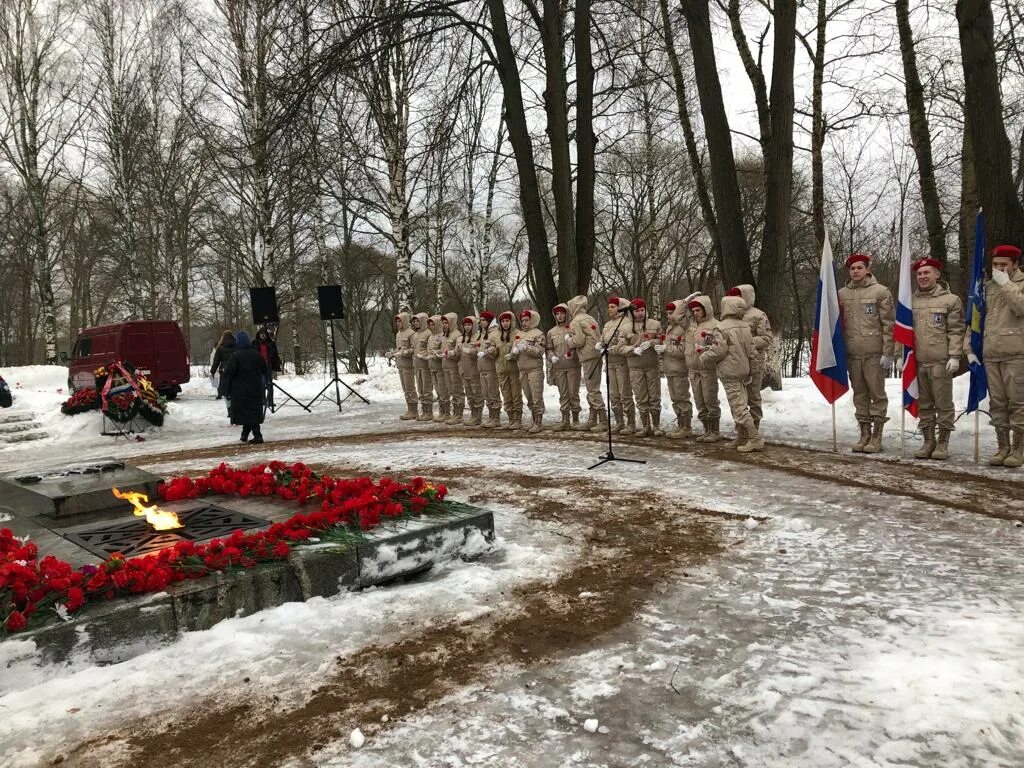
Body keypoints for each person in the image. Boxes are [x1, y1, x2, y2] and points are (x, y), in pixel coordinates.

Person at [969, 244, 1024, 467]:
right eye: (995, 265)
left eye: (1004, 264)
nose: (999, 268)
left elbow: (1021, 307)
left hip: (1016, 353)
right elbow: (974, 320)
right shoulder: (987, 287)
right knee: (998, 403)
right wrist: (969, 348)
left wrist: (1007, 285)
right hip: (991, 353)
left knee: (1018, 402)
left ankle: (1019, 448)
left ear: (1016, 264)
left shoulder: (1018, 284)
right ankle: (1003, 446)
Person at [838, 253, 895, 453]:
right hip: (852, 354)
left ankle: (877, 436)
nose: (855, 271)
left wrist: (888, 352)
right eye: (852, 269)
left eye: (859, 268)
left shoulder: (880, 292)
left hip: (874, 353)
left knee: (877, 394)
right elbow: (837, 326)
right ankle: (864, 434)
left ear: (867, 269)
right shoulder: (842, 294)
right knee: (860, 395)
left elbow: (889, 324)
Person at [911, 257, 965, 460]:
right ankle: (928, 441)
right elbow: (903, 331)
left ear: (937, 275)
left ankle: (942, 443)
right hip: (918, 363)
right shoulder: (911, 301)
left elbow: (956, 330)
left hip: (941, 362)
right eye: (919, 274)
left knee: (943, 404)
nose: (923, 277)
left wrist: (955, 355)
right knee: (924, 404)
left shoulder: (950, 300)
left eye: (927, 273)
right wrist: (900, 355)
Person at [700, 295, 764, 452]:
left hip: (729, 372)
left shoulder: (721, 328)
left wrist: (704, 356)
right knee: (740, 404)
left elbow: (719, 350)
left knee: (739, 407)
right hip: (743, 371)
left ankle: (754, 438)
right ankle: (742, 437)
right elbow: (752, 351)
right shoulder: (745, 327)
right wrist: (752, 370)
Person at [613, 298, 663, 437]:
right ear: (632, 312)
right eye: (637, 311)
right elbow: (619, 347)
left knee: (654, 396)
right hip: (635, 367)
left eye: (642, 310)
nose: (640, 313)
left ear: (645, 310)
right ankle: (646, 425)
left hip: (652, 366)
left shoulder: (655, 324)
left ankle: (657, 426)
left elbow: (662, 338)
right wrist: (632, 350)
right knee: (641, 396)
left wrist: (653, 342)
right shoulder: (625, 328)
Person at [727, 284, 773, 434]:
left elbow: (766, 339)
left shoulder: (758, 315)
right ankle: (741, 431)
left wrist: (747, 341)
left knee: (752, 396)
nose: (736, 300)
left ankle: (754, 431)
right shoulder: (729, 317)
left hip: (753, 361)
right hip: (735, 362)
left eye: (739, 296)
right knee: (737, 398)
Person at [219, 330, 269, 444]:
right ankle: (245, 434)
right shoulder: (256, 354)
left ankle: (257, 435)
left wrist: (224, 371)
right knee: (252, 411)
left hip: (240, 390)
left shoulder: (236, 356)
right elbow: (264, 369)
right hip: (256, 388)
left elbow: (230, 372)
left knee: (247, 412)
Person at [659, 296, 698, 438]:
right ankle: (681, 425)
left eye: (671, 313)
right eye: (667, 314)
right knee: (675, 398)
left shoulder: (683, 329)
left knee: (682, 397)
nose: (669, 316)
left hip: (680, 369)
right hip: (670, 369)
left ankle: (686, 426)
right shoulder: (670, 328)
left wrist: (666, 348)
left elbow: (683, 350)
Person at [685, 295, 722, 442]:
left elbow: (719, 347)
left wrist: (706, 348)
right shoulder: (691, 325)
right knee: (699, 401)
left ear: (706, 309)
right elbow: (678, 314)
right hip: (693, 369)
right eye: (693, 310)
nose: (695, 313)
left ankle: (715, 431)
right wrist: (686, 301)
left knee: (710, 400)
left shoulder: (716, 325)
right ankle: (707, 430)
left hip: (708, 369)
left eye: (698, 310)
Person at [566, 295, 605, 431]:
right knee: (592, 386)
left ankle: (602, 419)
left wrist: (569, 341)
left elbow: (579, 341)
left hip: (587, 356)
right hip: (595, 355)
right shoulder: (591, 318)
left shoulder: (575, 321)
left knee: (592, 388)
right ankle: (592, 418)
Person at [597, 296, 636, 434]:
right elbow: (603, 339)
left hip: (621, 362)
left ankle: (631, 423)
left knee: (624, 393)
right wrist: (600, 345)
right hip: (609, 363)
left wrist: (610, 349)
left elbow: (621, 343)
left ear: (620, 308)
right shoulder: (607, 324)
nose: (609, 309)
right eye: (609, 307)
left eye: (612, 307)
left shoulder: (626, 323)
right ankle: (619, 422)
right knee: (613, 394)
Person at [546, 302, 582, 431]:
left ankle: (576, 419)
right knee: (563, 394)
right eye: (557, 314)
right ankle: (565, 419)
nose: (560, 316)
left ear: (567, 314)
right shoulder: (551, 332)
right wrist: (551, 357)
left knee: (573, 393)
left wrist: (574, 354)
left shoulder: (573, 327)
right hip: (559, 367)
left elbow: (580, 343)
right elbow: (548, 348)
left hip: (573, 366)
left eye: (562, 313)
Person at [511, 308, 546, 433]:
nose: (524, 323)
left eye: (527, 320)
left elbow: (539, 352)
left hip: (534, 369)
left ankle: (539, 422)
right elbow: (514, 352)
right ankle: (533, 419)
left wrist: (526, 347)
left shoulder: (538, 334)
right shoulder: (519, 335)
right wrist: (513, 353)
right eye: (523, 320)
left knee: (536, 396)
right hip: (522, 370)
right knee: (529, 397)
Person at [493, 310, 523, 429]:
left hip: (514, 370)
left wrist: (514, 354)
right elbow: (493, 351)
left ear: (511, 321)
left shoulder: (517, 333)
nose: (505, 323)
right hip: (501, 369)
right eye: (503, 321)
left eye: (507, 321)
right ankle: (510, 418)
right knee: (506, 395)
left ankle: (518, 419)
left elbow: (520, 351)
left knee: (516, 395)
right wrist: (491, 351)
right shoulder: (496, 336)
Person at [457, 315, 484, 427]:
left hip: (474, 370)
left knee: (477, 393)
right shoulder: (462, 338)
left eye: (469, 325)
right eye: (465, 325)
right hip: (464, 370)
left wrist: (467, 350)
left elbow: (477, 353)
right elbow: (458, 354)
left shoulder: (478, 337)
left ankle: (478, 416)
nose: (467, 327)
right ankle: (473, 414)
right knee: (469, 394)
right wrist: (449, 353)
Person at [476, 311, 502, 428]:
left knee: (493, 393)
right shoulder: (482, 334)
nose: (481, 322)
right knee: (486, 394)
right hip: (482, 368)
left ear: (489, 321)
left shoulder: (495, 333)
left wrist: (486, 352)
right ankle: (491, 416)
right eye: (480, 320)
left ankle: (496, 418)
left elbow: (495, 350)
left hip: (491, 368)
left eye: (484, 320)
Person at [391, 312, 418, 420]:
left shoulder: (411, 333)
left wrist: (404, 353)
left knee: (410, 387)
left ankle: (414, 410)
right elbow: (399, 348)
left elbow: (413, 349)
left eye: (400, 321)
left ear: (405, 321)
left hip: (408, 365)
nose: (398, 323)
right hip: (400, 365)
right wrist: (393, 353)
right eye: (397, 321)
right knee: (405, 388)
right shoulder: (398, 334)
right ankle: (409, 408)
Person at [441, 313, 465, 425]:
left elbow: (458, 352)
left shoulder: (458, 335)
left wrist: (450, 354)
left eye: (446, 323)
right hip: (446, 366)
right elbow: (443, 350)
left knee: (457, 391)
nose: (444, 325)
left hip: (454, 367)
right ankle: (454, 413)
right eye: (443, 323)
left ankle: (459, 414)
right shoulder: (445, 335)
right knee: (451, 391)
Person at [427, 315, 450, 423]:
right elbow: (429, 350)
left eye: (433, 324)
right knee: (437, 390)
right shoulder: (431, 337)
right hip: (432, 366)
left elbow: (443, 351)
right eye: (430, 324)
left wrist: (436, 354)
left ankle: (446, 412)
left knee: (443, 390)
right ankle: (441, 411)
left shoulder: (442, 336)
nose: (431, 326)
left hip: (440, 367)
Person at [253, 326, 282, 410]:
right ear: (258, 335)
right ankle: (263, 400)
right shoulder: (255, 343)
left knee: (269, 384)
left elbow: (275, 354)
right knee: (262, 384)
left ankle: (270, 401)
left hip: (268, 365)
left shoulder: (270, 343)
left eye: (264, 334)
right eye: (261, 334)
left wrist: (276, 362)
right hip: (259, 367)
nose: (262, 335)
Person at [412, 312, 433, 421]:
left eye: (418, 321)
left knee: (426, 389)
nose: (416, 323)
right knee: (420, 389)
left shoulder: (428, 333)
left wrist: (425, 353)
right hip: (417, 365)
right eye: (414, 321)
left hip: (426, 366)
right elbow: (413, 348)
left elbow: (430, 349)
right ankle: (424, 410)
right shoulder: (415, 335)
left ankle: (429, 412)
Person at [210, 330, 237, 404]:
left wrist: (212, 371)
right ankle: (235, 406)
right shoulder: (237, 345)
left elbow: (216, 361)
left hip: (224, 370)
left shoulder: (220, 347)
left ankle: (229, 409)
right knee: (234, 390)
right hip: (235, 370)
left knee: (226, 391)